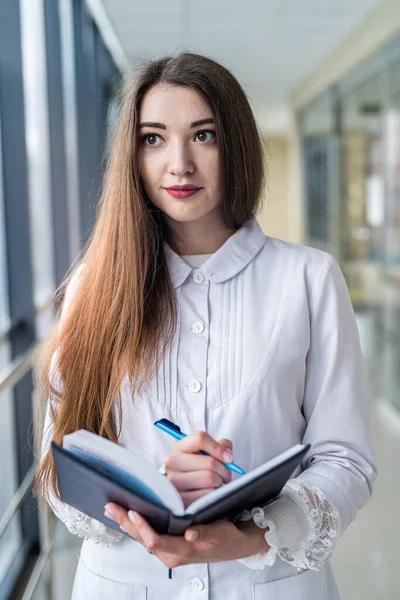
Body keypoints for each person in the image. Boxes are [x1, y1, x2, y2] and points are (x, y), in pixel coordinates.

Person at [35, 52, 376, 600]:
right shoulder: (91, 287)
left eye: (204, 135)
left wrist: (245, 536)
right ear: (132, 155)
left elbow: (346, 460)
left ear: (235, 145)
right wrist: (150, 493)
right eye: (153, 139)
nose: (179, 164)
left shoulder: (308, 279)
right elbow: (65, 470)